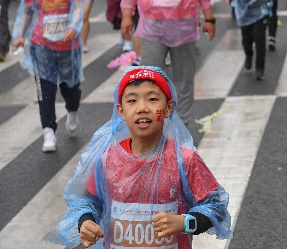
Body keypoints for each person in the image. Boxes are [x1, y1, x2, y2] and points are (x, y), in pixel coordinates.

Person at [45, 66, 231, 249]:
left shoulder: (184, 160)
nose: (142, 108)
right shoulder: (107, 159)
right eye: (132, 100)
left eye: (152, 99)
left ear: (168, 108)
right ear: (121, 110)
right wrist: (86, 222)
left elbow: (216, 206)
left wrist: (185, 222)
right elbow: (88, 201)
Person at [12, 0, 84, 152]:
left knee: (70, 87)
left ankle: (72, 110)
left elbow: (78, 6)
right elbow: (26, 11)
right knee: (45, 89)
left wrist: (73, 26)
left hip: (68, 44)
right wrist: (19, 34)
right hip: (41, 43)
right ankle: (49, 132)